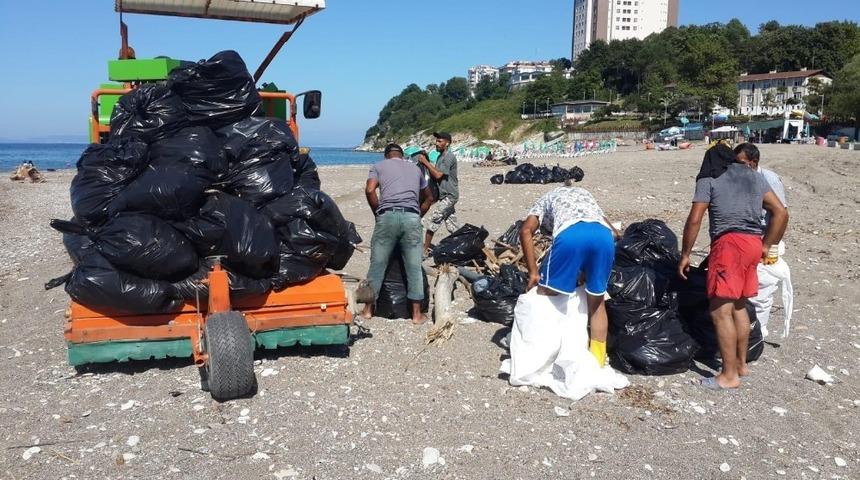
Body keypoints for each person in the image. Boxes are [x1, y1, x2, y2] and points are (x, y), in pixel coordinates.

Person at [678, 143, 789, 390]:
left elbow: (695, 218)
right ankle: (740, 364)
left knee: (720, 310)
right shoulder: (753, 175)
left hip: (728, 244)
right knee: (739, 305)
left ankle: (728, 376)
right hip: (752, 243)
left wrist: (685, 254)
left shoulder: (709, 177)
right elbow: (781, 212)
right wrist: (767, 244)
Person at [520, 180, 620, 367]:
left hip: (571, 235)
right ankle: (597, 361)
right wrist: (586, 268)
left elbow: (525, 230)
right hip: (603, 236)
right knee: (597, 303)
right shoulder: (585, 194)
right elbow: (615, 232)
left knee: (545, 294)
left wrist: (533, 272)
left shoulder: (545, 199)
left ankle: (541, 353)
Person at [362, 143, 434, 325]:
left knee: (377, 264)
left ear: (387, 156)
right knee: (414, 266)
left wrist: (378, 213)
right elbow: (429, 197)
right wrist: (417, 214)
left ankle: (368, 310)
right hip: (411, 217)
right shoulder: (415, 169)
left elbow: (370, 190)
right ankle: (416, 315)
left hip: (387, 216)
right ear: (402, 156)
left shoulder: (378, 166)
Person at [735, 142, 793, 338]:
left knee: (762, 289)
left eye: (741, 163)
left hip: (763, 240)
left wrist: (769, 246)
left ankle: (758, 332)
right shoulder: (739, 178)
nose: (737, 167)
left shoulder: (768, 179)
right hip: (745, 239)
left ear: (754, 162)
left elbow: (781, 215)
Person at [419, 132, 461, 254]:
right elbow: (435, 172)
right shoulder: (440, 157)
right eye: (436, 141)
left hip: (449, 195)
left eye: (439, 141)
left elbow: (438, 175)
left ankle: (425, 250)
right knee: (452, 225)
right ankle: (463, 241)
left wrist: (426, 163)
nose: (436, 143)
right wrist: (427, 161)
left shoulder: (449, 157)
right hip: (444, 196)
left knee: (433, 220)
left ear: (447, 143)